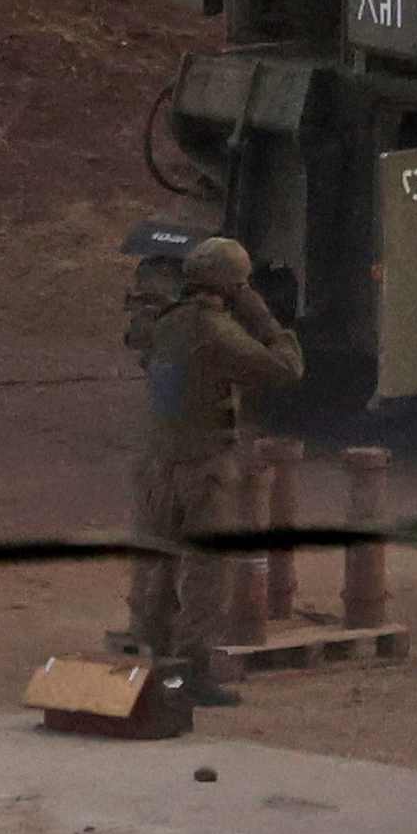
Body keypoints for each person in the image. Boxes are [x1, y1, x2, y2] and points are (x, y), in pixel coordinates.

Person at [126, 234, 301, 723]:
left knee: (159, 565)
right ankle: (193, 673)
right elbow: (287, 368)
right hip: (203, 466)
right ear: (232, 285)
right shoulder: (216, 332)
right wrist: (264, 317)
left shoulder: (169, 325)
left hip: (159, 463)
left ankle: (154, 662)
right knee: (206, 573)